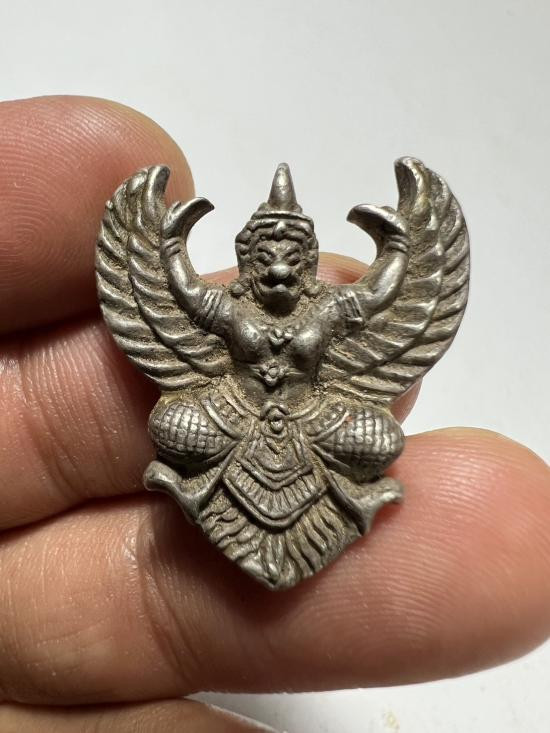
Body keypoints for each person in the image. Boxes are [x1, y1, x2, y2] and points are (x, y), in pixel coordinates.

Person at [0, 95, 548, 732]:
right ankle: (199, 485)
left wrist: (400, 246)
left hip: (314, 418)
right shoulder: (228, 311)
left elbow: (381, 293)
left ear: (311, 263)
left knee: (379, 438)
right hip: (233, 416)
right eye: (265, 258)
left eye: (293, 258)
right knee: (169, 425)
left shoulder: (331, 310)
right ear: (248, 261)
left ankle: (337, 491)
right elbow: (178, 291)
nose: (281, 270)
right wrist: (169, 243)